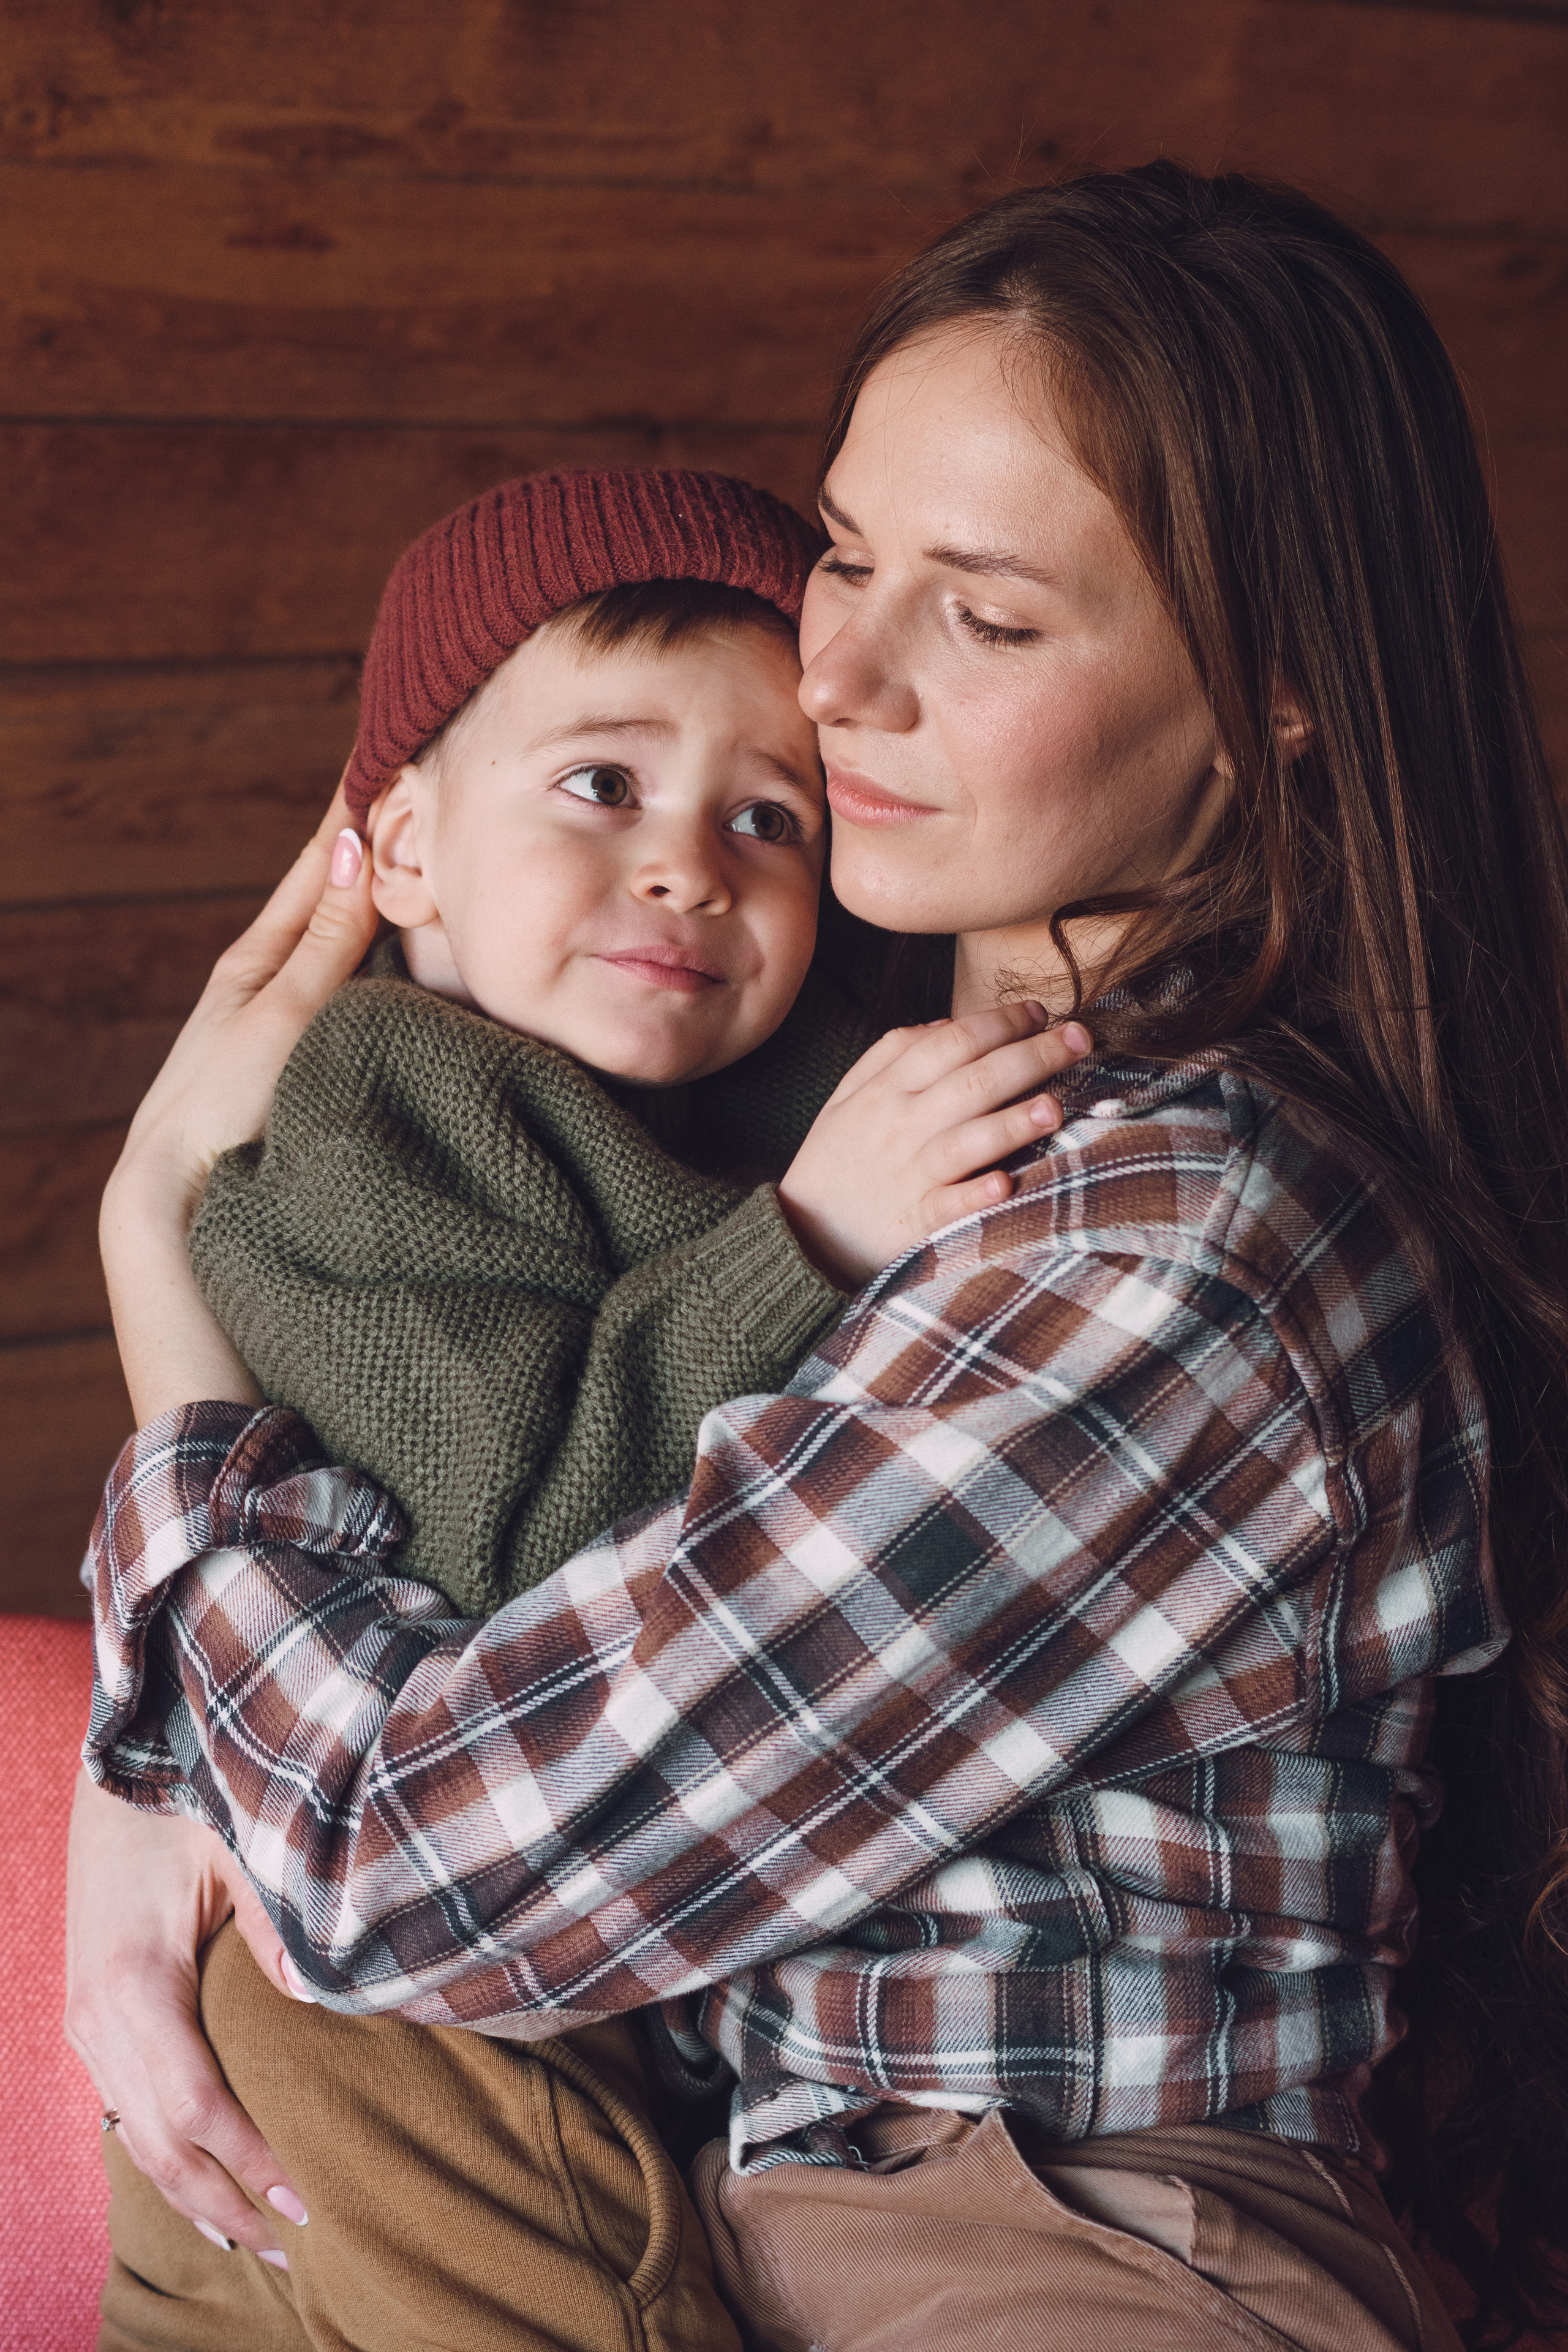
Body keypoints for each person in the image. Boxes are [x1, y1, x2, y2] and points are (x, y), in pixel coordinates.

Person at [67, 161, 1568, 2352]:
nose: (833, 672)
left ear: (1275, 701)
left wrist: (155, 1296)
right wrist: (174, 1768)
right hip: (755, 2180)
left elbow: (412, 1868)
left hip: (1056, 2239)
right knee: (272, 2099)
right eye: (850, 552)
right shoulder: (834, 1097)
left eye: (987, 615)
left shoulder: (1183, 1254)